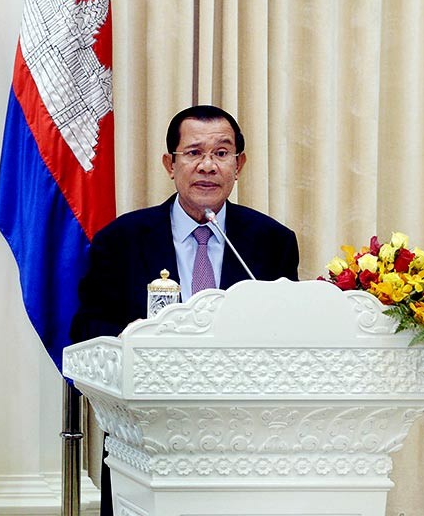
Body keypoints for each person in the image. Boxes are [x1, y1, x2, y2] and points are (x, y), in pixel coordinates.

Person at [70, 105, 300, 516]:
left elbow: (288, 333)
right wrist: (132, 338)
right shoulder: (120, 240)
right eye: (193, 153)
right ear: (169, 164)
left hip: (244, 440)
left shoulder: (272, 242)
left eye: (221, 153)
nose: (208, 166)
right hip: (147, 434)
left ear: (239, 164)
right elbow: (87, 326)